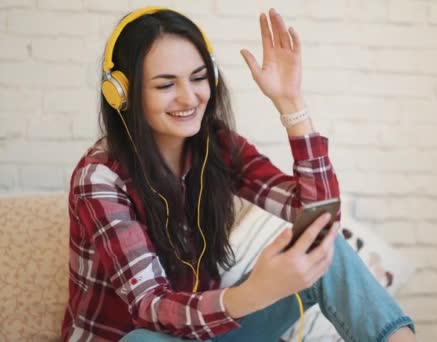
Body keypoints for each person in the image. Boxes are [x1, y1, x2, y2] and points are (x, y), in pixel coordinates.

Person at [61, 6, 416, 342]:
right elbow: (150, 307)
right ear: (122, 93)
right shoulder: (100, 177)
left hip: (213, 329)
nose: (189, 97)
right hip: (145, 336)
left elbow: (321, 214)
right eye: (166, 85)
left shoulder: (216, 145)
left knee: (326, 244)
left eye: (199, 78)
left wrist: (290, 103)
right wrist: (255, 292)